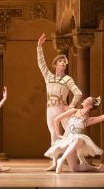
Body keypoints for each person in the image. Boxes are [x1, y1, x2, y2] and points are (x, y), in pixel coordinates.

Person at [47, 95, 104, 173]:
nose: (84, 100)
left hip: (77, 141)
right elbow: (56, 120)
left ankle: (61, 160)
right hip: (66, 142)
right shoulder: (73, 111)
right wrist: (58, 135)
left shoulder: (88, 120)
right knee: (75, 169)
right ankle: (98, 169)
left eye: (87, 100)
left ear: (90, 106)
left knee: (78, 138)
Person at [36, 33, 83, 171]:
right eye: (61, 61)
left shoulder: (68, 79)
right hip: (50, 109)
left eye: (65, 61)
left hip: (62, 110)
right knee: (53, 135)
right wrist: (39, 47)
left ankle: (80, 159)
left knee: (71, 133)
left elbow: (78, 93)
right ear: (55, 64)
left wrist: (71, 107)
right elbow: (41, 64)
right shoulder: (48, 76)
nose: (63, 63)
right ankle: (54, 162)